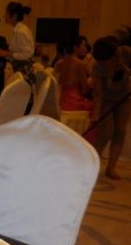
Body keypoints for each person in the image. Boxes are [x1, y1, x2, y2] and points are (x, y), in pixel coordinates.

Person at [91, 35, 131, 180]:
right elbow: (98, 93)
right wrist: (96, 115)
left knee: (120, 131)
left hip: (124, 98)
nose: (102, 63)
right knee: (105, 132)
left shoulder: (126, 53)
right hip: (106, 100)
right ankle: (92, 165)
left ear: (114, 56)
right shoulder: (97, 66)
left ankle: (111, 168)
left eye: (104, 61)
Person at [0, 1, 35, 84]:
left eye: (6, 14)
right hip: (20, 69)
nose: (5, 16)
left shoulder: (20, 31)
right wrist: (5, 53)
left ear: (14, 16)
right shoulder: (19, 29)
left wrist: (8, 54)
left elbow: (27, 54)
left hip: (23, 70)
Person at [54, 34, 93, 113]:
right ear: (75, 48)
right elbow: (84, 90)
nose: (85, 48)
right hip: (74, 102)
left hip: (60, 101)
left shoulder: (60, 63)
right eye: (83, 45)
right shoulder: (80, 64)